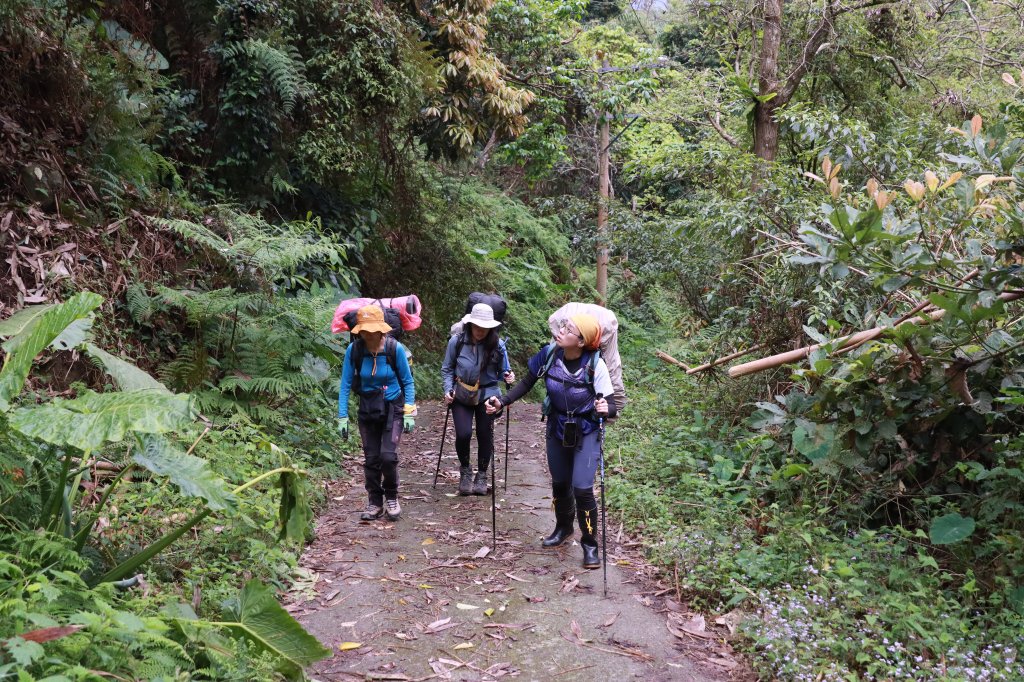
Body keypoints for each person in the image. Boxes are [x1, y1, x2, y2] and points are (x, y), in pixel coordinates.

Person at [485, 313, 615, 569]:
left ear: (581, 342)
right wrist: (502, 402)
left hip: (586, 430)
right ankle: (563, 528)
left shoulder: (594, 364)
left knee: (582, 487)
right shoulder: (549, 354)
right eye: (563, 326)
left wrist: (604, 408)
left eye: (569, 330)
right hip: (557, 426)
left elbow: (610, 404)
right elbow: (526, 382)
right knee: (560, 482)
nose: (562, 330)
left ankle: (590, 544)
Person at [337, 305, 416, 522]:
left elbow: (408, 382)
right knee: (371, 459)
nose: (370, 333)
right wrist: (342, 416)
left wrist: (409, 412)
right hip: (368, 409)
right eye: (365, 329)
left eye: (373, 329)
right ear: (359, 331)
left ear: (381, 329)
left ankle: (391, 497)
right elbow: (345, 384)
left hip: (394, 408)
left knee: (387, 457)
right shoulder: (354, 351)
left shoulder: (394, 349)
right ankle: (374, 502)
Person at [441, 303, 515, 496]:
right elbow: (447, 368)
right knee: (463, 434)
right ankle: (465, 469)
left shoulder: (498, 346)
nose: (480, 331)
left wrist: (508, 376)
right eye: (477, 326)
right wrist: (448, 389)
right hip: (462, 392)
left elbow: (504, 371)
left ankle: (482, 474)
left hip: (488, 394)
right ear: (470, 324)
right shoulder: (456, 342)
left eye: (485, 328)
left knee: (484, 434)